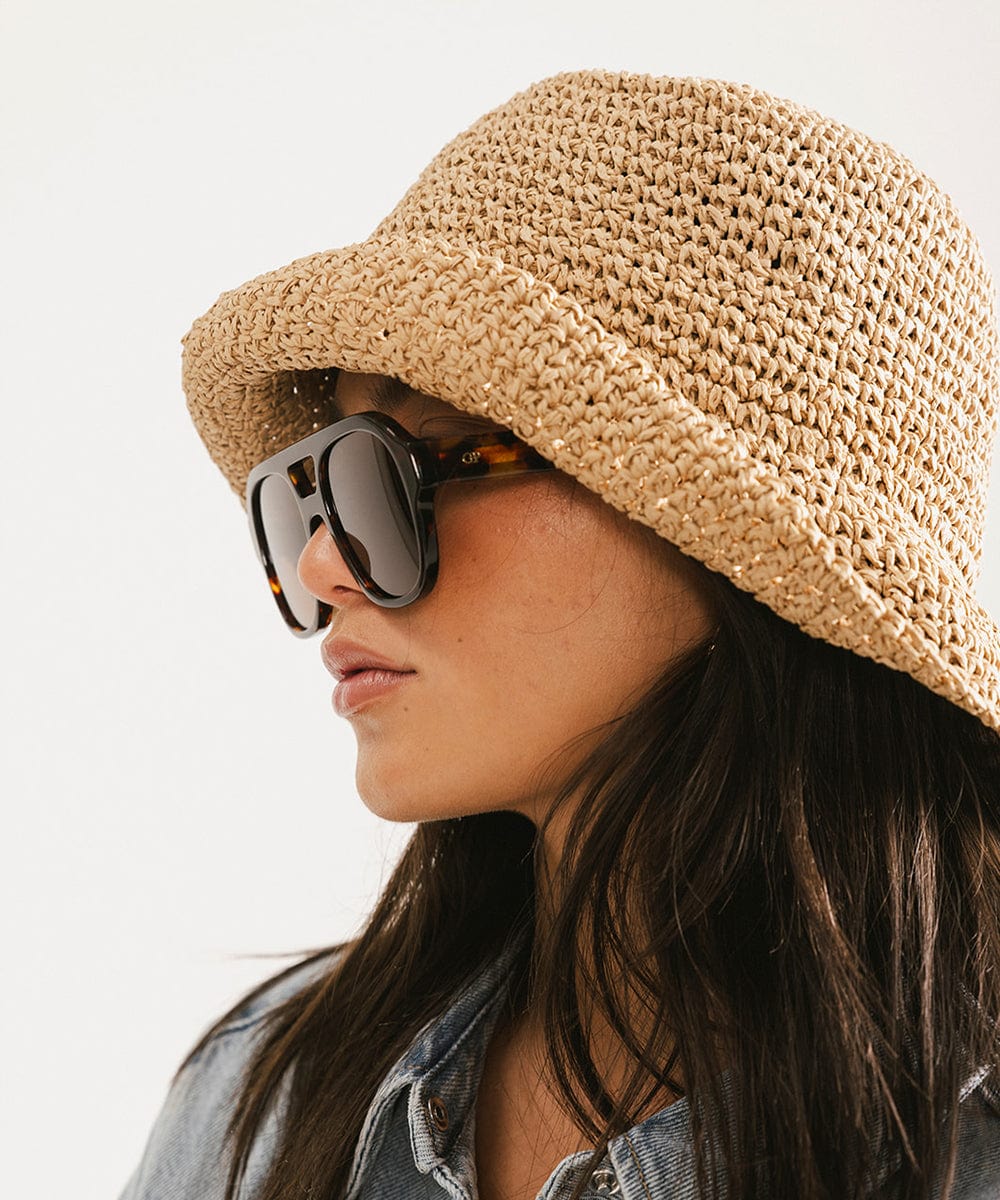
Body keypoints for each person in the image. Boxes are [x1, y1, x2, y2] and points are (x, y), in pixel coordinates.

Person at [120, 70, 1000, 1200]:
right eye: (314, 491)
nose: (324, 566)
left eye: (404, 473)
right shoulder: (265, 1097)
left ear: (726, 539)